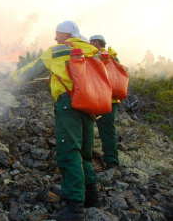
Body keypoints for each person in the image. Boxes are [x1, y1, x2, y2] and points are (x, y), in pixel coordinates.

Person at [7, 21, 101, 220]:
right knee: (84, 153)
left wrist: (13, 78)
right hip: (89, 105)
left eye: (57, 34)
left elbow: (33, 69)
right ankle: (92, 198)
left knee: (69, 154)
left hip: (69, 106)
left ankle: (75, 208)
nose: (55, 38)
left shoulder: (57, 50)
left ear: (65, 34)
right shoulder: (90, 49)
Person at [89, 35, 120, 170]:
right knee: (108, 129)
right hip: (112, 99)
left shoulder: (96, 56)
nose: (89, 44)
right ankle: (112, 161)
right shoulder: (113, 57)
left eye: (90, 42)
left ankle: (88, 157)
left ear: (96, 43)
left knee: (88, 126)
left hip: (98, 98)